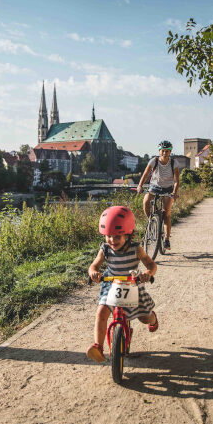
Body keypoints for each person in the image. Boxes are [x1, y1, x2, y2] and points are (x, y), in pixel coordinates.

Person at [86, 206, 158, 362]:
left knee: (145, 317)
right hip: (111, 284)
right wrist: (93, 273)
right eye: (109, 236)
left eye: (117, 236)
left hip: (133, 284)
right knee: (102, 313)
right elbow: (94, 266)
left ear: (128, 233)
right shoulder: (105, 249)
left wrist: (148, 273)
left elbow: (151, 264)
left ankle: (153, 319)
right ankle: (98, 346)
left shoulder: (136, 249)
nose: (112, 240)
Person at [136, 140, 180, 250]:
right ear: (159, 151)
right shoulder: (153, 161)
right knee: (146, 202)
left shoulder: (174, 163)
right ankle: (152, 222)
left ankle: (167, 239)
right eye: (163, 151)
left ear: (170, 152)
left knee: (167, 214)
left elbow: (176, 181)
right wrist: (140, 185)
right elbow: (145, 174)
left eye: (167, 151)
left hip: (168, 188)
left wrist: (174, 192)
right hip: (154, 187)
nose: (165, 153)